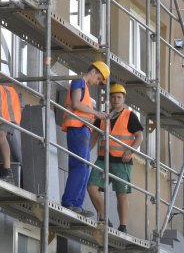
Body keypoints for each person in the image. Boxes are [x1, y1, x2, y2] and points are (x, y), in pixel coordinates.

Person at [87, 84, 143, 233]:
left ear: (124, 99)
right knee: (92, 187)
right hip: (103, 158)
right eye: (113, 97)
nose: (115, 100)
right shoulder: (105, 116)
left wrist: (130, 152)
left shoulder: (129, 115)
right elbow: (94, 135)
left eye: (119, 97)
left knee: (121, 194)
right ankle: (104, 217)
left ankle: (123, 226)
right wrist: (86, 152)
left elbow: (139, 137)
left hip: (122, 161)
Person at [60, 62, 109, 215]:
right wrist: (97, 114)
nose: (97, 82)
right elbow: (76, 103)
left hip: (82, 129)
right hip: (77, 128)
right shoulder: (78, 81)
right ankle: (69, 202)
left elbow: (81, 108)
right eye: (99, 78)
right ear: (93, 72)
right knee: (80, 166)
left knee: (84, 167)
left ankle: (77, 204)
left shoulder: (85, 88)